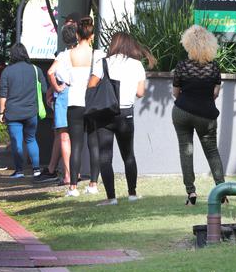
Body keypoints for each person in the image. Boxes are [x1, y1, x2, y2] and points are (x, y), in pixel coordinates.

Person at [88, 32, 156, 206]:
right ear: (129, 45)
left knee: (105, 156)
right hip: (126, 114)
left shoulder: (102, 62)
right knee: (128, 155)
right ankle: (132, 193)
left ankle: (111, 198)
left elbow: (91, 86)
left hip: (105, 113)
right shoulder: (136, 65)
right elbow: (140, 93)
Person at [172, 25, 225, 205]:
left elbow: (175, 92)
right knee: (211, 151)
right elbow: (215, 93)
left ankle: (191, 192)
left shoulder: (182, 66)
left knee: (186, 150)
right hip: (206, 115)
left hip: (182, 111)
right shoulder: (214, 68)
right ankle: (221, 190)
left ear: (188, 44)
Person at [57, 16, 105, 197]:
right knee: (94, 144)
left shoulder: (66, 55)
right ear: (92, 36)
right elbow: (100, 77)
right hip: (93, 103)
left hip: (75, 102)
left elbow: (64, 78)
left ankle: (73, 187)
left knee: (76, 145)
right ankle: (93, 184)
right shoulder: (98, 55)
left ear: (77, 35)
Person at [36, 20, 79, 184]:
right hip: (79, 93)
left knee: (63, 136)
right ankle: (76, 172)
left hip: (64, 92)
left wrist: (55, 87)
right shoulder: (84, 54)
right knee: (77, 136)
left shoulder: (62, 55)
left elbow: (50, 72)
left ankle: (68, 174)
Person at [0, 43, 47, 179]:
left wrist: (1, 112)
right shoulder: (35, 69)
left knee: (17, 142)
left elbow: (3, 94)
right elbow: (43, 89)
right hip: (31, 111)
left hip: (13, 113)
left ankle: (19, 171)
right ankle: (36, 169)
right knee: (31, 139)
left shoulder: (7, 71)